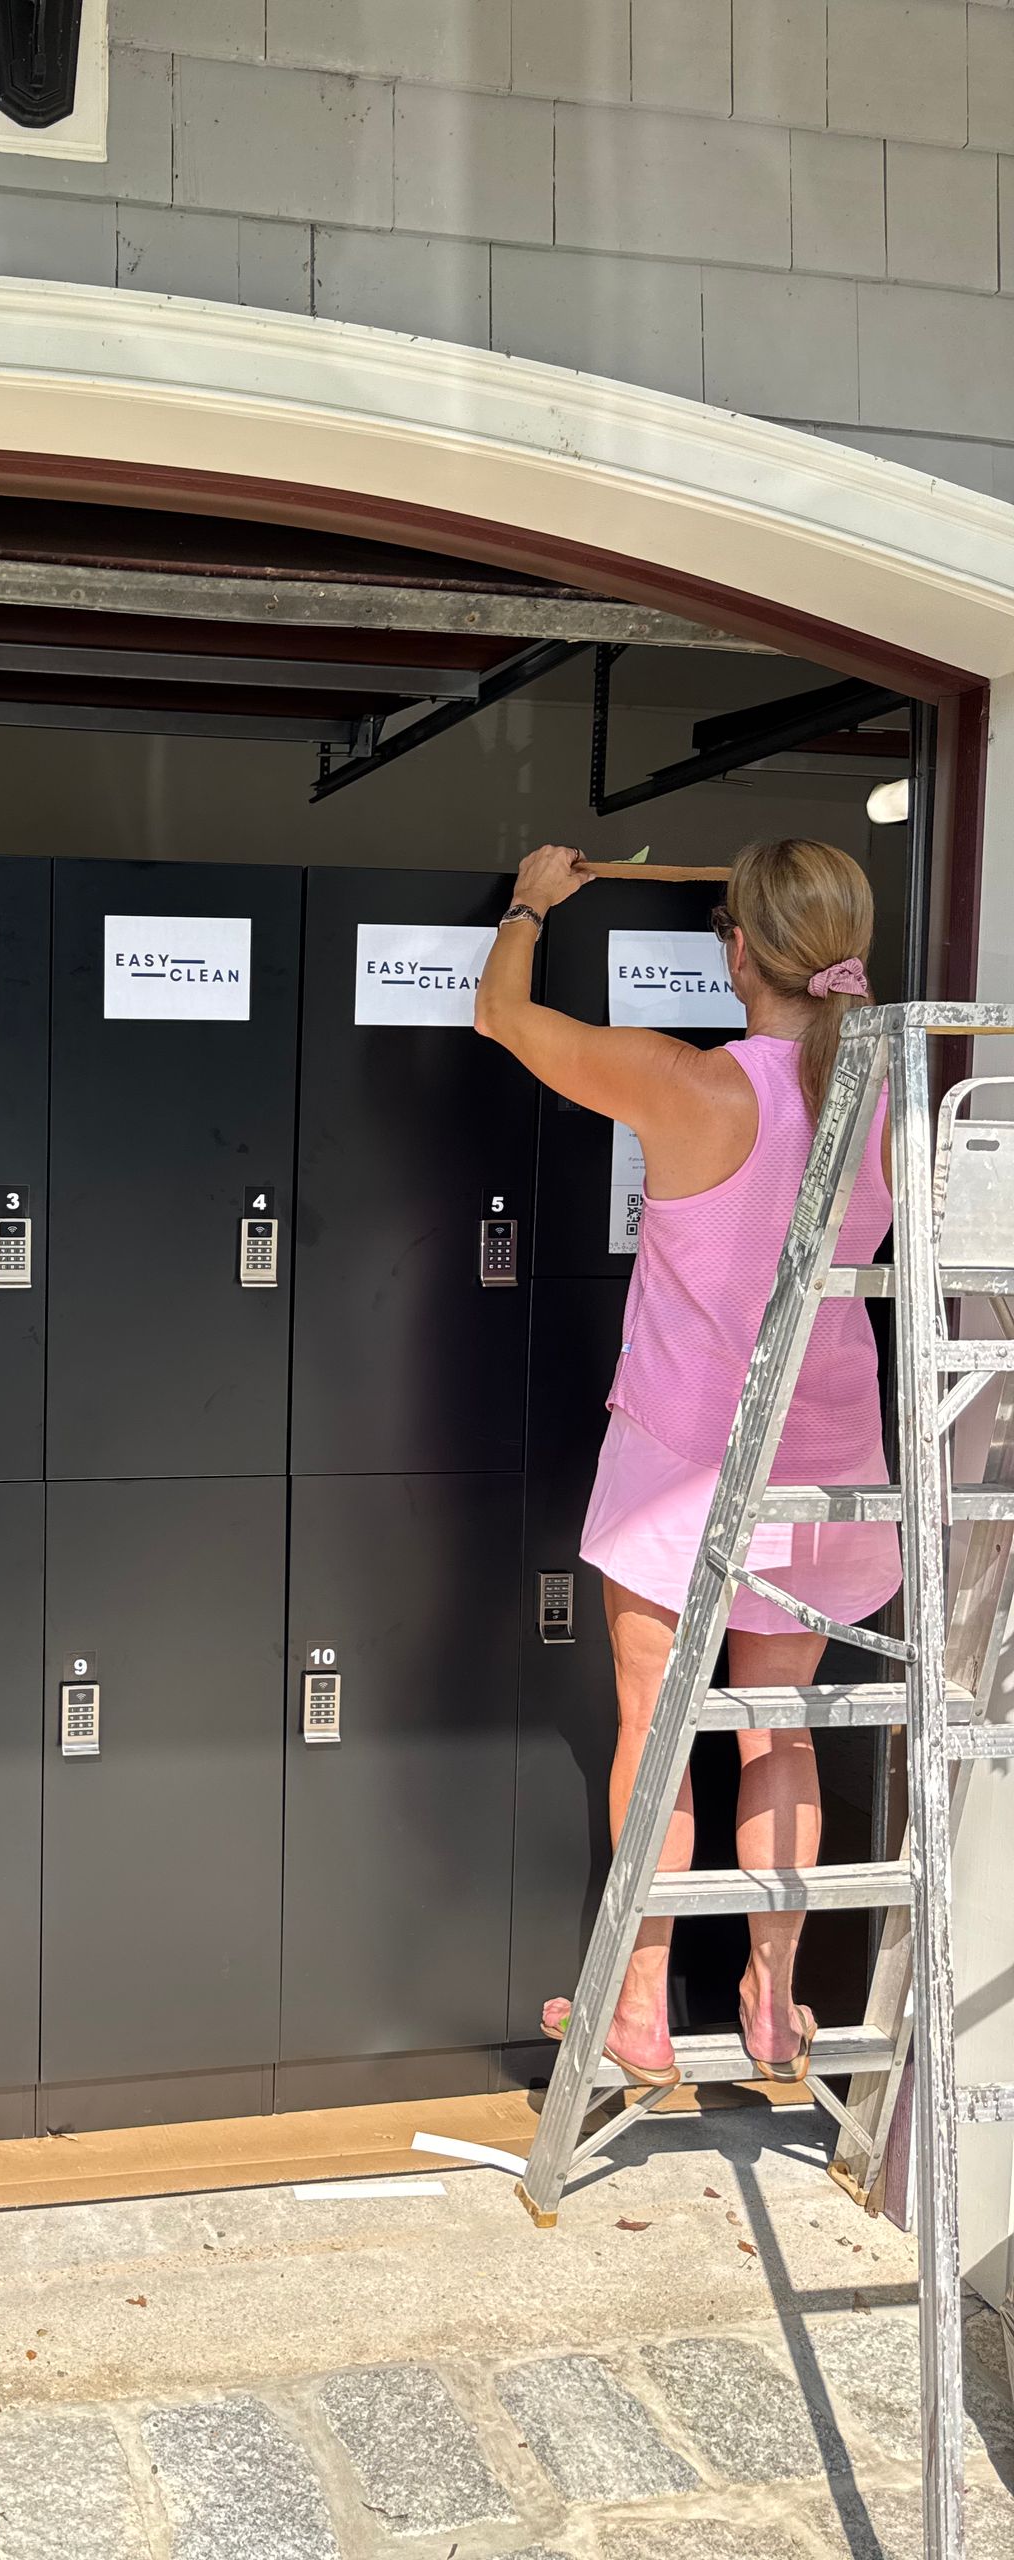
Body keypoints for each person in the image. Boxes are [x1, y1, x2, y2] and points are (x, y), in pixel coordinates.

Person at [474, 836, 900, 2089]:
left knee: (658, 1727)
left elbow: (502, 1015)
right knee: (784, 1738)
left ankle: (643, 2011)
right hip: (827, 1474)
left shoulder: (691, 1085)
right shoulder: (875, 1092)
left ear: (739, 951)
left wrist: (530, 905)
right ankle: (775, 2009)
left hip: (682, 1474)